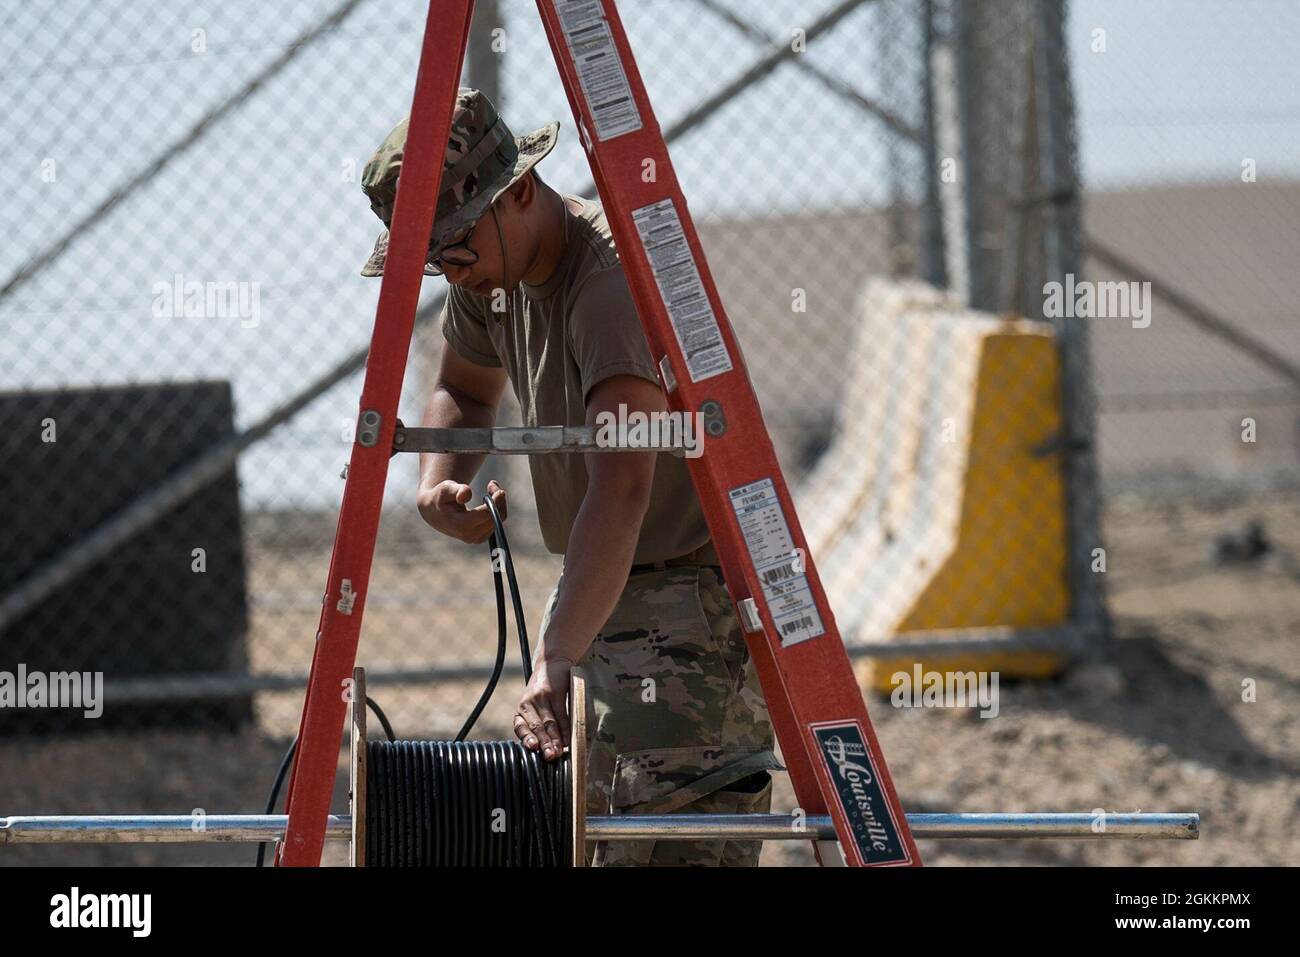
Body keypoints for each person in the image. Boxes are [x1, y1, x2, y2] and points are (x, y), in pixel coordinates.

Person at [359, 88, 778, 865]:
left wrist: (552, 657)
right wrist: (436, 482)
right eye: (430, 258)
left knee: (669, 845)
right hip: (596, 583)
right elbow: (464, 388)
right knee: (588, 840)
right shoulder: (491, 277)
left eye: (455, 247)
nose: (449, 271)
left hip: (684, 598)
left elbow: (622, 483)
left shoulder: (608, 282)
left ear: (518, 192)